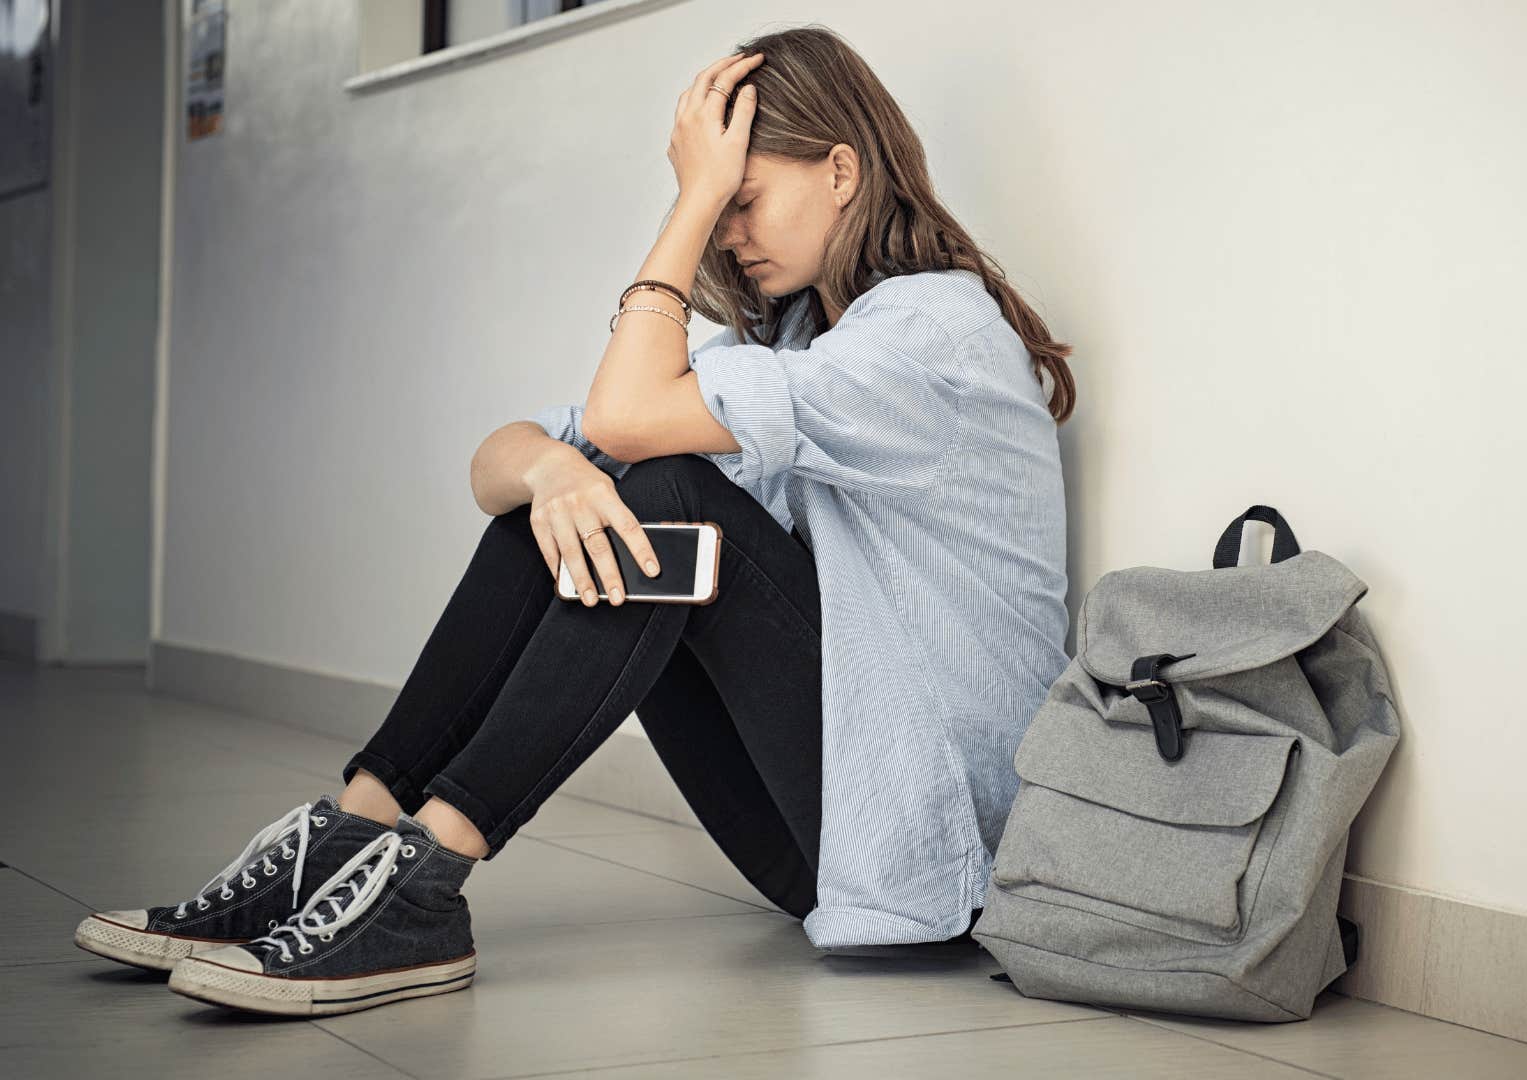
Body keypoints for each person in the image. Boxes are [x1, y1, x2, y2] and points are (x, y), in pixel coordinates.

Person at [69, 26, 1077, 1017]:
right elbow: (499, 462)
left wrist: (688, 201)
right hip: (834, 840)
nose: (727, 231)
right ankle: (349, 837)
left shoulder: (931, 334)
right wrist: (551, 472)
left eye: (742, 200)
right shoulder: (801, 339)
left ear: (842, 171)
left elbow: (626, 419)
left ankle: (424, 884)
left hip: (935, 848)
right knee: (560, 504)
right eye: (716, 209)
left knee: (665, 496)